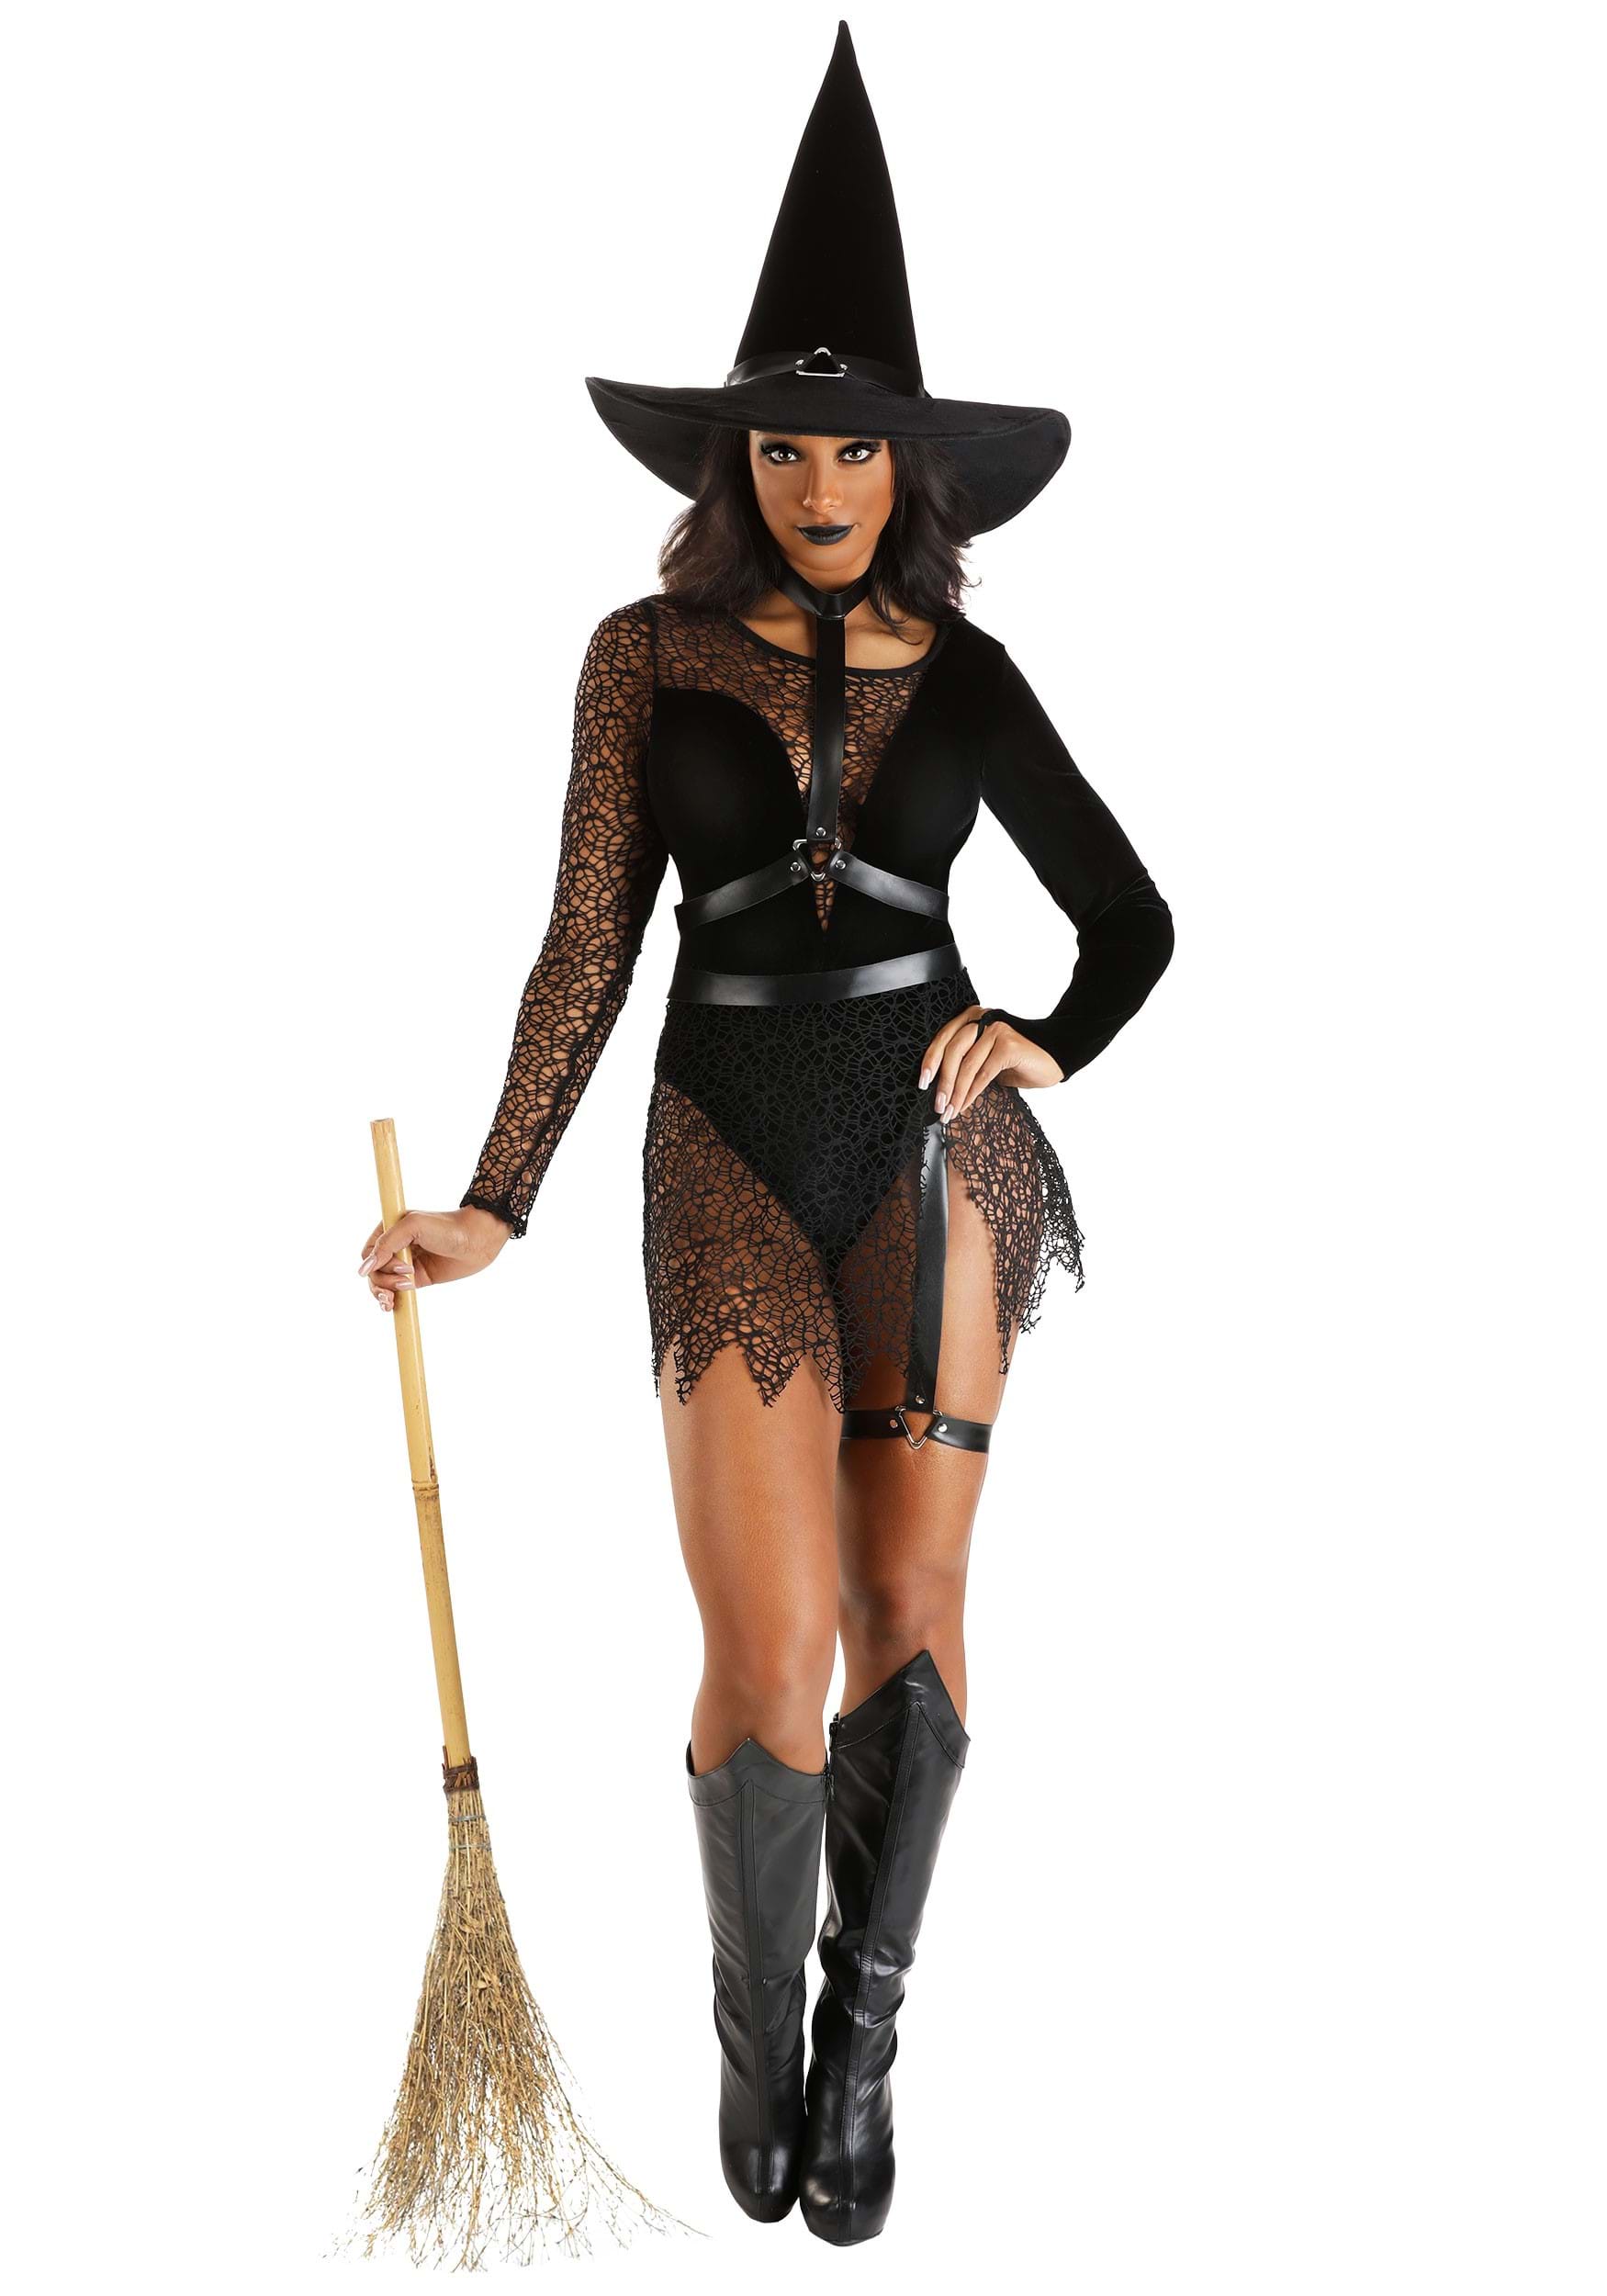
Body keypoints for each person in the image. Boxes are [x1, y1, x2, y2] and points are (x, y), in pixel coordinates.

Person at [355, 19, 1173, 2245]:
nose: (820, 482)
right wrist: (497, 1198)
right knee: (766, 1643)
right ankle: (751, 2029)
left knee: (913, 1602)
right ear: (738, 458)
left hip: (934, 1162)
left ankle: (860, 2040)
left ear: (911, 465)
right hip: (719, 1141)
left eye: (855, 447)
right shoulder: (639, 654)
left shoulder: (967, 675)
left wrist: (1043, 1036)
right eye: (787, 444)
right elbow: (584, 939)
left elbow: (1129, 918)